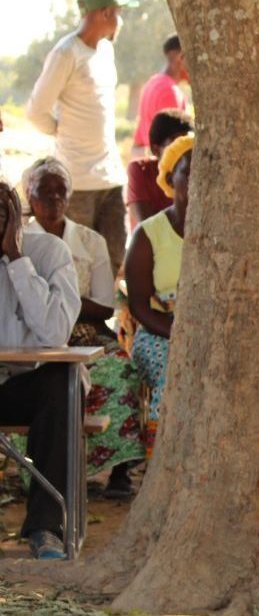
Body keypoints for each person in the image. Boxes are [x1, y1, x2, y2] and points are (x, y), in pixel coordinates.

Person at [21, 158, 143, 496]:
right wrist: (59, 306)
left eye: (61, 192)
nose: (54, 199)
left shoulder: (90, 241)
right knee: (33, 376)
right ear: (30, 197)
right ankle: (44, 474)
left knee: (120, 370)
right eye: (44, 192)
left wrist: (61, 306)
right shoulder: (19, 239)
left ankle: (118, 472)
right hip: (34, 337)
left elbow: (104, 305)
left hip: (85, 332)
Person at [26, 0, 138, 276]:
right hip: (77, 180)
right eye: (118, 12)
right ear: (103, 13)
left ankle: (106, 319)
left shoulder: (105, 51)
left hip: (110, 176)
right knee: (75, 265)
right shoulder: (66, 54)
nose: (121, 20)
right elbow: (36, 110)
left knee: (113, 258)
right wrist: (62, 132)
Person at [0, 180, 80, 559]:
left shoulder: (49, 251)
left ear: (18, 216)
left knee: (62, 384)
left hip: (30, 385)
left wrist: (16, 259)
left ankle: (46, 527)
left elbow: (54, 333)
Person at [125, 135, 192, 455]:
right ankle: (162, 459)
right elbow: (138, 305)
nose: (197, 182)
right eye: (187, 173)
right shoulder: (149, 234)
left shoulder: (226, 234)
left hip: (208, 334)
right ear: (169, 178)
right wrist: (177, 333)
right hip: (158, 333)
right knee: (174, 375)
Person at [125, 109, 193, 227]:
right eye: (175, 142)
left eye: (186, 143)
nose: (181, 149)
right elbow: (147, 226)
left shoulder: (193, 172)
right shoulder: (140, 170)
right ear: (156, 149)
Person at [131, 35, 189, 157]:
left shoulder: (151, 84)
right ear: (181, 58)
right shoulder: (170, 91)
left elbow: (138, 142)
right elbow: (173, 147)